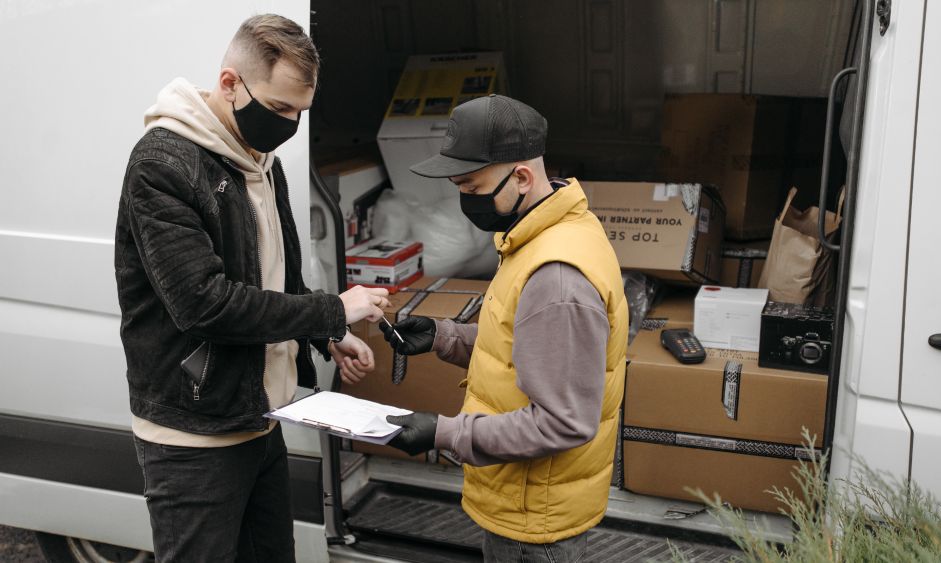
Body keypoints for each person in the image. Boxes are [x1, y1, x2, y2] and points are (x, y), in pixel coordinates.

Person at [114, 14, 388, 562]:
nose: (288, 125)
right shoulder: (162, 165)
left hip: (261, 422)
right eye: (279, 108)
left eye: (300, 113)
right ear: (229, 83)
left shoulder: (264, 163)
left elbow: (279, 279)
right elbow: (205, 304)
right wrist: (332, 309)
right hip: (195, 437)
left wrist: (324, 336)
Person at [381, 94, 628, 562]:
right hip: (525, 507)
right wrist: (444, 336)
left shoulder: (556, 275)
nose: (463, 199)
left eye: (471, 186)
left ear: (521, 177)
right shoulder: (545, 232)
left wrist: (442, 433)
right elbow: (528, 348)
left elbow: (563, 421)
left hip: (534, 528)